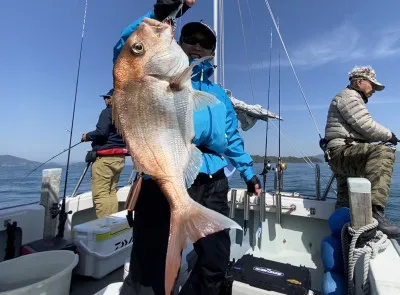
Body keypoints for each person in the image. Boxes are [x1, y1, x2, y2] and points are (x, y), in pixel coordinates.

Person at [113, 1, 262, 294]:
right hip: (162, 174)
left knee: (215, 259)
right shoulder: (155, 75)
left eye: (205, 43)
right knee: (151, 257)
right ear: (178, 42)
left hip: (212, 179)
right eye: (191, 39)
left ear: (212, 53)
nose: (197, 46)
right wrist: (159, 14)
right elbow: (127, 51)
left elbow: (232, 138)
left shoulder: (219, 95)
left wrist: (249, 173)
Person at [323, 65, 400, 237]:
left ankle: (344, 235)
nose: (374, 90)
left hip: (341, 153)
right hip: (342, 152)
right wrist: (390, 135)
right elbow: (366, 125)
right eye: (372, 84)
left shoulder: (348, 96)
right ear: (359, 82)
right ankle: (375, 213)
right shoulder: (349, 96)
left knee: (345, 201)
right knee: (383, 152)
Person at [81, 89, 127, 219]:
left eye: (107, 97)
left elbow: (101, 132)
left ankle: (105, 227)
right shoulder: (124, 116)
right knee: (111, 192)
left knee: (101, 194)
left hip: (105, 160)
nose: (105, 100)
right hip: (119, 159)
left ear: (113, 99)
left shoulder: (107, 112)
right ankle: (113, 222)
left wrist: (87, 136)